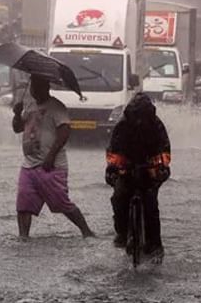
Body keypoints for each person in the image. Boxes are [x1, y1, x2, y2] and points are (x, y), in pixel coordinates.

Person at [12, 75, 95, 240]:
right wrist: (16, 114)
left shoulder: (56, 107)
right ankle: (23, 237)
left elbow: (64, 131)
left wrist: (50, 156)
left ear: (46, 87)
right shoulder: (29, 106)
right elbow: (18, 128)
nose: (34, 90)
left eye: (38, 86)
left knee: (61, 203)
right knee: (23, 204)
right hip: (29, 165)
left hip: (52, 165)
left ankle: (86, 231)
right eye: (33, 86)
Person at [106, 93, 171, 260]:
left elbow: (164, 150)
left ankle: (155, 244)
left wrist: (161, 168)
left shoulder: (157, 126)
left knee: (150, 204)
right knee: (119, 198)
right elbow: (114, 151)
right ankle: (122, 233)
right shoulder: (122, 126)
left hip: (149, 169)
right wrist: (114, 168)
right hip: (127, 168)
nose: (140, 120)